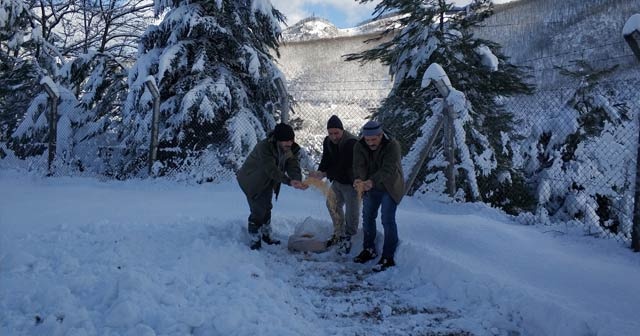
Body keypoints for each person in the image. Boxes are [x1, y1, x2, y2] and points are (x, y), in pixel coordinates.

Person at [236, 123, 308, 250]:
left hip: (267, 181)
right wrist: (288, 181)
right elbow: (271, 170)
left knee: (267, 207)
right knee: (258, 210)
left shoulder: (289, 149)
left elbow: (292, 164)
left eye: (291, 140)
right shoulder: (264, 147)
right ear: (278, 140)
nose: (289, 143)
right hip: (252, 180)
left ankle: (266, 235)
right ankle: (255, 240)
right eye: (286, 141)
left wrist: (296, 179)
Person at [352, 120, 404, 272]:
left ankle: (388, 257)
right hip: (370, 185)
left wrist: (371, 181)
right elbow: (358, 165)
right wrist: (359, 179)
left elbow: (389, 169)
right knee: (367, 216)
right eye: (368, 140)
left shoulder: (392, 145)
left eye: (374, 139)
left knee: (387, 219)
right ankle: (368, 249)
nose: (370, 143)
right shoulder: (359, 145)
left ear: (381, 135)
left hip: (389, 186)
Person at [308, 115, 359, 255]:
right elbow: (326, 159)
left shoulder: (351, 142)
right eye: (330, 133)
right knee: (332, 204)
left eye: (336, 133)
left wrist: (324, 174)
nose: (333, 136)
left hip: (352, 182)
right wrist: (319, 171)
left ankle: (349, 237)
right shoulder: (328, 141)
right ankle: (338, 233)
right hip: (338, 180)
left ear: (342, 130)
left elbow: (343, 165)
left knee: (351, 212)